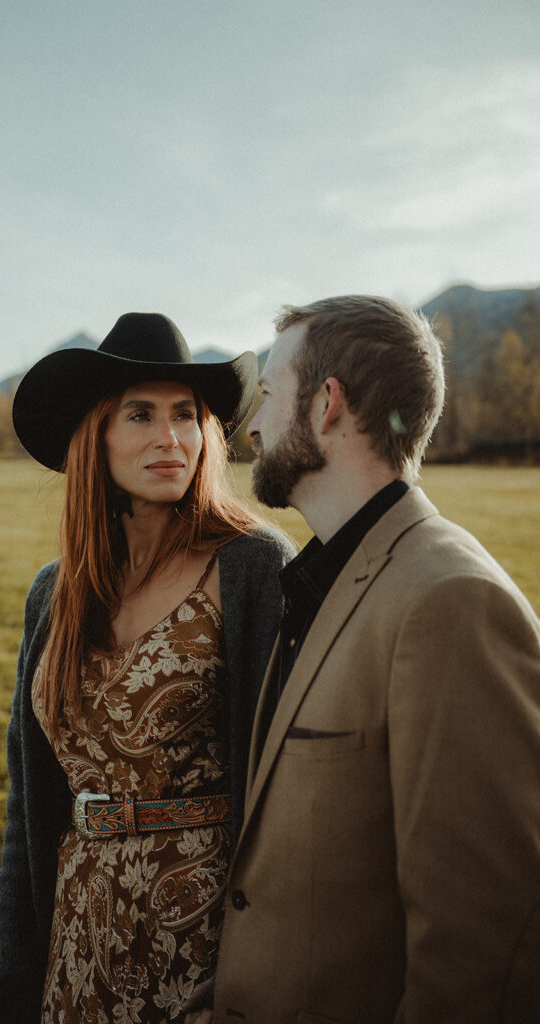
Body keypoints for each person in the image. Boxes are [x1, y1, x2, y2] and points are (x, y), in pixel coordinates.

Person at [190, 295, 540, 1023]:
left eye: (266, 394)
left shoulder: (449, 601)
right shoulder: (327, 576)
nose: (249, 424)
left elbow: (477, 952)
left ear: (326, 404)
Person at [0, 312, 295, 1024]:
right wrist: (13, 976)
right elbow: (26, 806)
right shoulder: (53, 595)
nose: (170, 438)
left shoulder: (251, 568)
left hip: (204, 948)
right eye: (141, 414)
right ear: (97, 435)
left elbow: (291, 795)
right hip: (76, 937)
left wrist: (254, 972)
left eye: (186, 415)